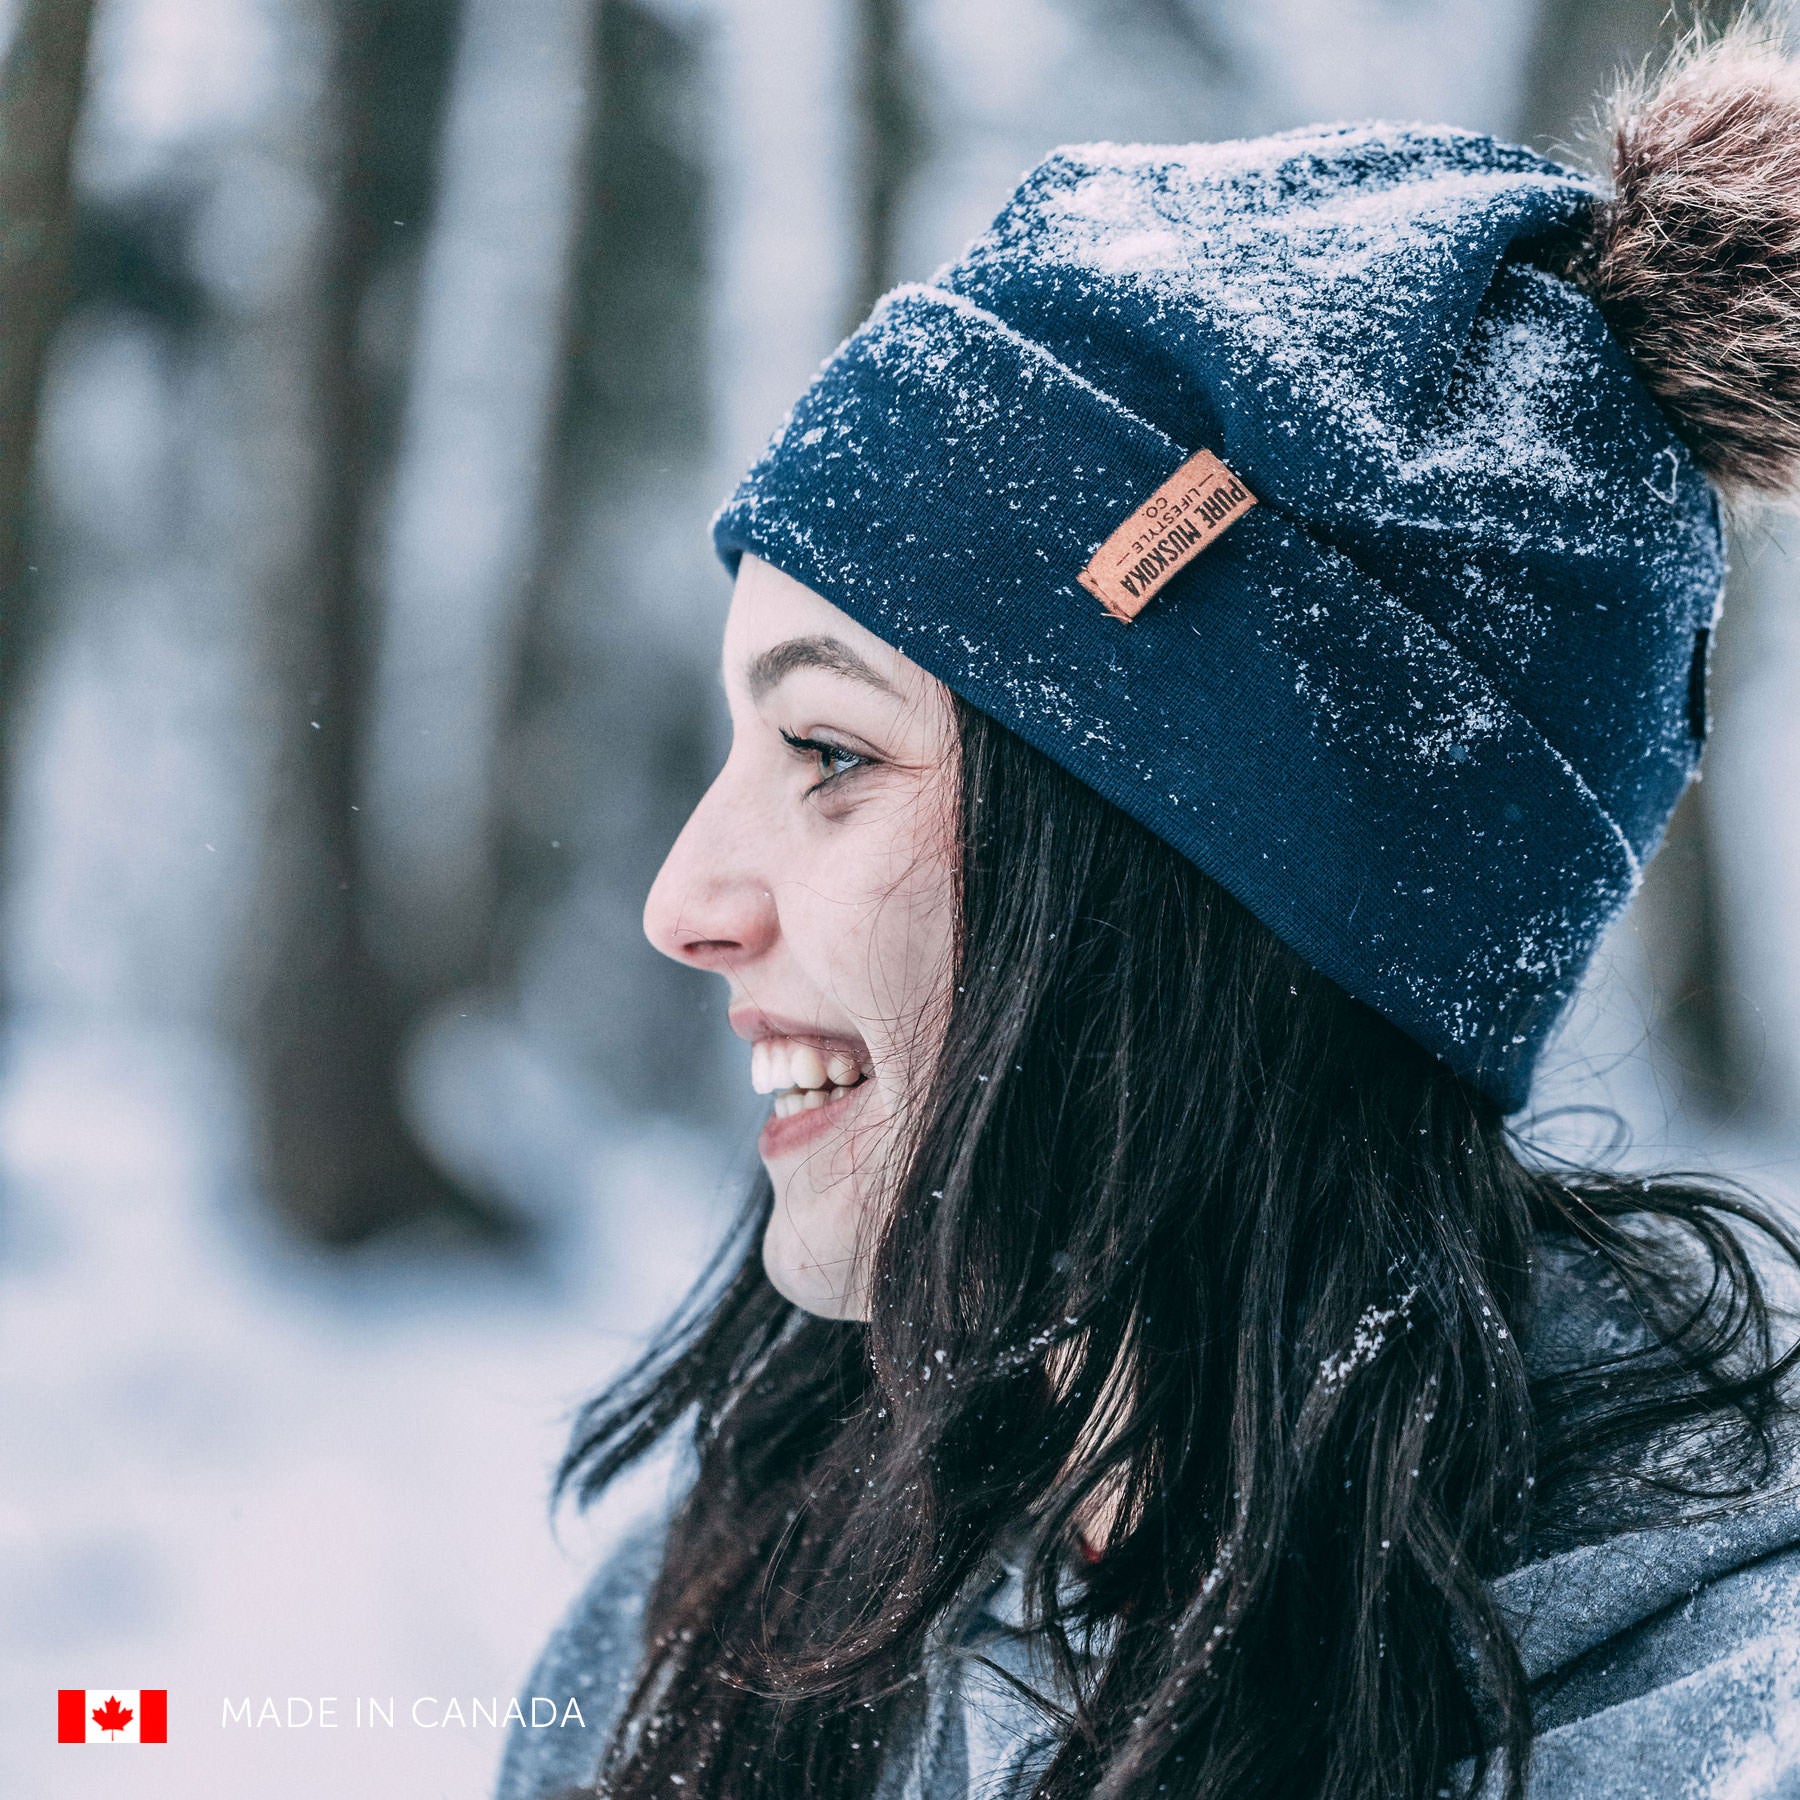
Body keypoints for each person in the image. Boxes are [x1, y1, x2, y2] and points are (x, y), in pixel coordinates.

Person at [498, 25, 1800, 1800]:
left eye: (831, 753)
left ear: (1210, 880)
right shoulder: (720, 1631)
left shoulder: (1717, 1733)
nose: (684, 903)